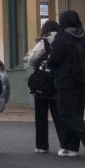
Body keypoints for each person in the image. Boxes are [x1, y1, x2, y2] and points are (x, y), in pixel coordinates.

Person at [45, 9, 85, 158]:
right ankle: (70, 148)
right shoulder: (81, 35)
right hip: (83, 81)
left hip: (66, 81)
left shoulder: (62, 37)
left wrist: (48, 63)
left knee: (65, 113)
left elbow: (54, 59)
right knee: (76, 114)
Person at [26, 19, 65, 154]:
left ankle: (41, 145)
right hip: (58, 81)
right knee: (58, 114)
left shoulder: (45, 41)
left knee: (41, 115)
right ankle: (64, 144)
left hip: (43, 82)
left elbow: (31, 60)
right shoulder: (63, 41)